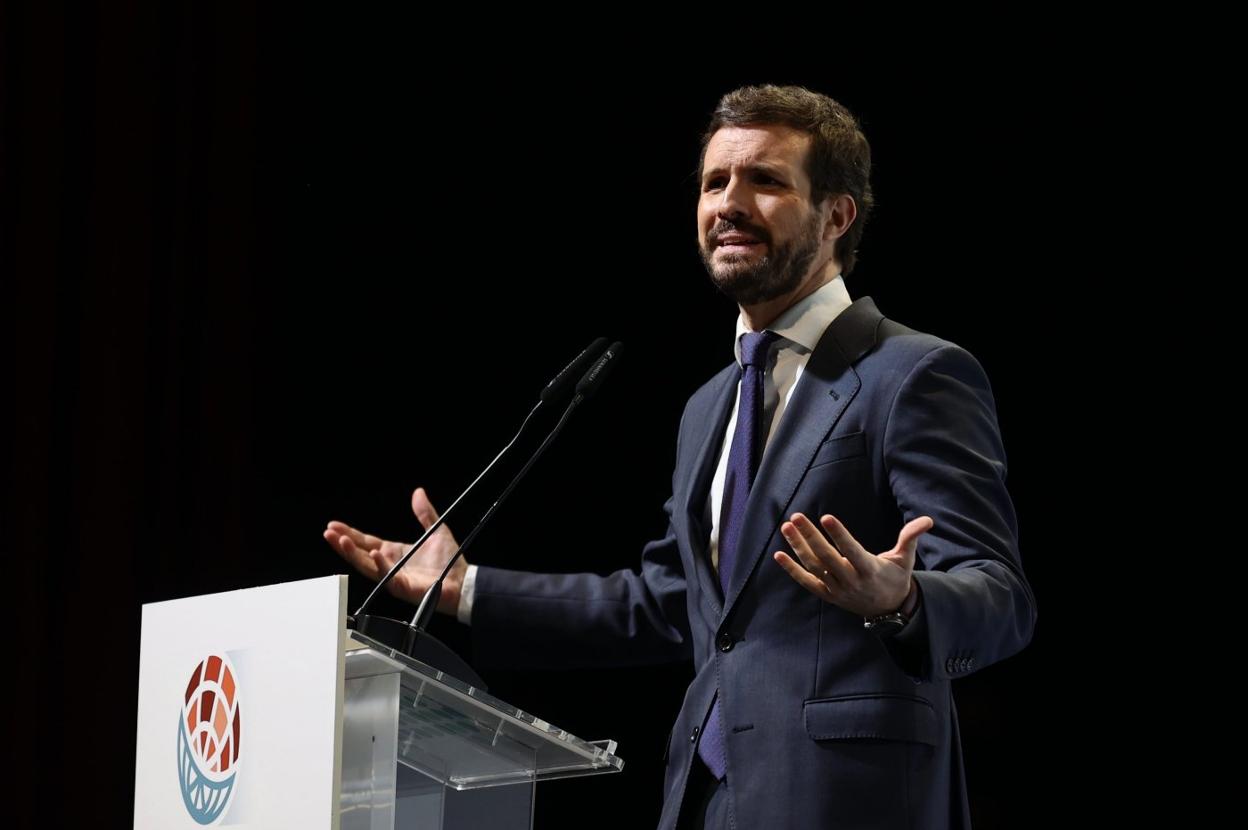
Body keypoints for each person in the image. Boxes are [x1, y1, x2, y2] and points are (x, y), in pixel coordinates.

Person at [324, 84, 1036, 829]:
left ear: (836, 215)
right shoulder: (709, 408)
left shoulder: (913, 374)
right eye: (713, 182)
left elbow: (1000, 598)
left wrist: (905, 600)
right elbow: (671, 605)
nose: (728, 204)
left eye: (765, 180)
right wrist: (467, 589)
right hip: (705, 795)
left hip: (852, 795)